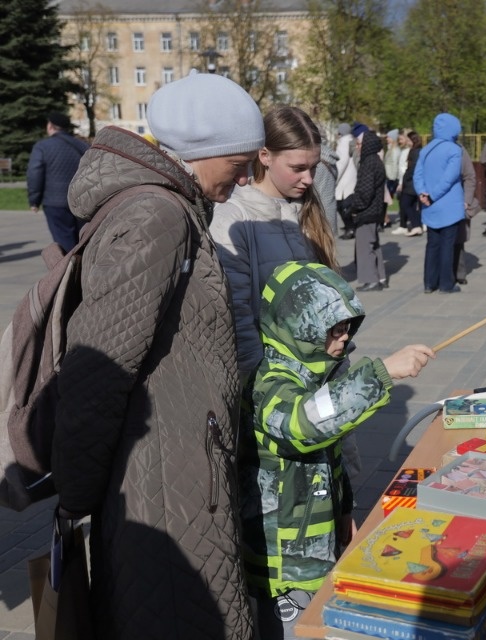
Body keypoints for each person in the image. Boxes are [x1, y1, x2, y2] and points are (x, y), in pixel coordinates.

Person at [51, 71, 265, 639]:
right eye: (240, 160)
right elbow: (97, 368)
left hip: (176, 475)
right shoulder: (158, 217)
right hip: (163, 487)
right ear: (201, 150)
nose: (247, 176)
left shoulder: (175, 207)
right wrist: (75, 492)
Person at [241, 260, 434, 639]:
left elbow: (328, 464)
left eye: (347, 329)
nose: (344, 339)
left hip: (317, 549)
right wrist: (380, 373)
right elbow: (306, 425)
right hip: (286, 566)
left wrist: (343, 514)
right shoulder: (270, 384)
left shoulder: (315, 375)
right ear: (299, 327)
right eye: (333, 330)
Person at [212, 105, 339, 383]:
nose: (309, 179)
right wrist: (261, 383)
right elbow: (237, 316)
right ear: (265, 156)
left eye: (313, 167)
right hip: (271, 385)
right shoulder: (233, 218)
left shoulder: (308, 211)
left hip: (317, 375)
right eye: (298, 168)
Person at [414, 113, 465, 293]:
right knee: (447, 246)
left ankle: (429, 283)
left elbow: (417, 175)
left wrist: (423, 193)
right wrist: (433, 195)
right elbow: (449, 178)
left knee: (432, 245)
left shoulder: (426, 149)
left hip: (430, 207)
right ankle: (446, 284)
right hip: (448, 206)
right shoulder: (454, 150)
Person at [27, 112, 89, 251]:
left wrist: (34, 200)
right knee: (82, 240)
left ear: (50, 126)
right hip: (81, 200)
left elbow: (35, 173)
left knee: (64, 242)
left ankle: (71, 270)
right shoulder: (82, 146)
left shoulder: (43, 146)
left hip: (55, 203)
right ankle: (83, 268)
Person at [345, 130, 388, 291]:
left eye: (360, 144)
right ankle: (380, 277)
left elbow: (365, 191)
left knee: (365, 247)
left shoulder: (368, 163)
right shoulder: (375, 160)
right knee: (374, 245)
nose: (358, 147)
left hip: (367, 212)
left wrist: (354, 207)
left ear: (367, 144)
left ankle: (371, 280)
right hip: (375, 211)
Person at [454, 146, 482, 284]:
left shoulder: (459, 150)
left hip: (457, 202)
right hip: (438, 203)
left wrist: (466, 200)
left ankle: (459, 273)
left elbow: (470, 177)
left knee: (458, 240)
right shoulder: (432, 149)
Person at [397, 130, 424, 236]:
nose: (407, 142)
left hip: (411, 183)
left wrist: (405, 179)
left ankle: (417, 225)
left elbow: (412, 168)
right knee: (412, 204)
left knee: (405, 203)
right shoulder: (418, 150)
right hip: (413, 182)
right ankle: (417, 225)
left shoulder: (414, 151)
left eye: (409, 140)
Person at [334, 123, 357, 239]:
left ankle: (351, 228)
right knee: (345, 205)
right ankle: (351, 227)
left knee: (341, 206)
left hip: (343, 180)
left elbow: (341, 163)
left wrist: (334, 177)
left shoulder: (343, 143)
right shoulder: (351, 141)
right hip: (350, 178)